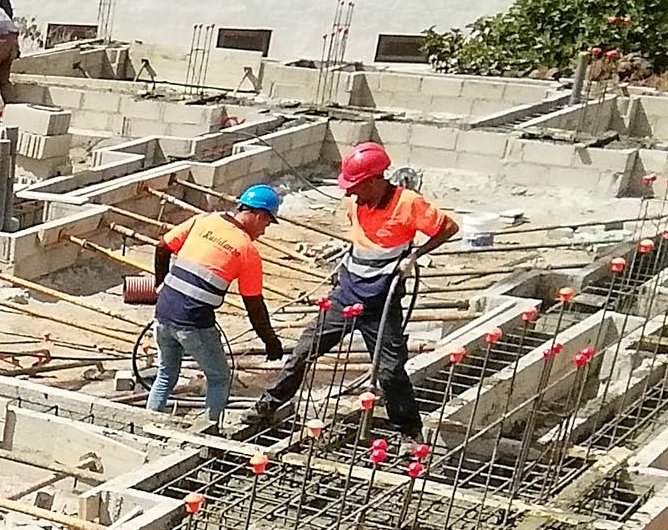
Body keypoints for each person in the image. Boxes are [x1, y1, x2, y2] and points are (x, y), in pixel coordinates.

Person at [239, 141, 459, 441]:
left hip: (382, 301)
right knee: (304, 351)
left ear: (373, 181)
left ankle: (409, 432)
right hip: (346, 294)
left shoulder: (408, 203)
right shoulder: (356, 203)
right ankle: (268, 405)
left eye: (354, 187)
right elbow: (362, 240)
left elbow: (448, 228)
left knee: (390, 371)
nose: (349, 193)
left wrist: (415, 255)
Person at [147, 184, 286, 431]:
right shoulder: (246, 250)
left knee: (166, 374)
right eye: (266, 223)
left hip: (163, 313)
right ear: (259, 215)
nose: (264, 231)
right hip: (193, 323)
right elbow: (254, 306)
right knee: (220, 378)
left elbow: (162, 247)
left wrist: (160, 285)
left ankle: (147, 423)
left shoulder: (204, 220)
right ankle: (208, 431)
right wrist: (271, 342)